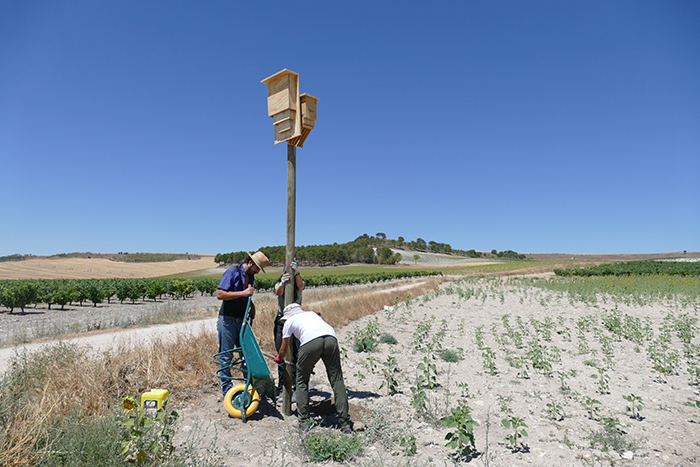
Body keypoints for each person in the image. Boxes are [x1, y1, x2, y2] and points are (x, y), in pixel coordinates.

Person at [274, 303, 353, 433]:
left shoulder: (289, 321)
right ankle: (345, 423)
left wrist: (280, 358)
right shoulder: (311, 314)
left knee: (301, 381)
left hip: (310, 342)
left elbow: (284, 348)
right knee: (337, 380)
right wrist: (311, 362)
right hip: (331, 338)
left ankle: (304, 421)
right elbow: (320, 342)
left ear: (288, 316)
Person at [216, 251, 269, 398]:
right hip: (227, 321)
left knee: (246, 356)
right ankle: (227, 391)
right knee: (226, 356)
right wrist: (243, 294)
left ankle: (248, 387)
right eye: (257, 268)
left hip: (242, 321)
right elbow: (220, 294)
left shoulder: (251, 277)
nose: (257, 272)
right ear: (251, 262)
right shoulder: (232, 272)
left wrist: (251, 305)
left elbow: (246, 295)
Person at [273, 261, 305, 395]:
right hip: (282, 320)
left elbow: (301, 285)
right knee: (282, 353)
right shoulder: (279, 283)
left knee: (297, 354)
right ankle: (282, 387)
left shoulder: (298, 282)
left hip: (297, 320)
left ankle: (298, 387)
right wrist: (283, 282)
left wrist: (296, 272)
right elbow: (278, 292)